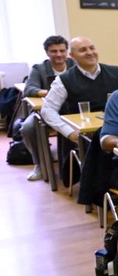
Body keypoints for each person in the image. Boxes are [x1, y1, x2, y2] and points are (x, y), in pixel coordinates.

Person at [41, 36, 118, 183]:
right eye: (83, 50)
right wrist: (70, 132)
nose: (89, 53)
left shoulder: (116, 72)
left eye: (92, 48)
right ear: (72, 56)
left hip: (117, 128)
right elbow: (47, 110)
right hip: (85, 134)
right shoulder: (64, 80)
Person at [21, 36, 74, 181]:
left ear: (67, 51)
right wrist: (53, 93)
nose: (59, 54)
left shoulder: (74, 65)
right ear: (47, 53)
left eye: (62, 51)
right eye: (54, 51)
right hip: (45, 111)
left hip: (72, 111)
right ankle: (40, 164)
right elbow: (29, 89)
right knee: (28, 128)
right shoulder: (39, 69)